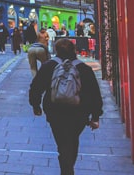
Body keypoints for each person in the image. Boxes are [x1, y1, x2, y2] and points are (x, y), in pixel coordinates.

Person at [29, 39, 103, 175]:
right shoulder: (84, 69)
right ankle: (68, 168)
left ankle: (66, 168)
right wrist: (95, 116)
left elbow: (36, 87)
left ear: (56, 50)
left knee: (62, 142)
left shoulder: (48, 66)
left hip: (55, 112)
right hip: (79, 113)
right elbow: (94, 93)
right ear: (73, 50)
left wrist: (36, 105)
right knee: (72, 140)